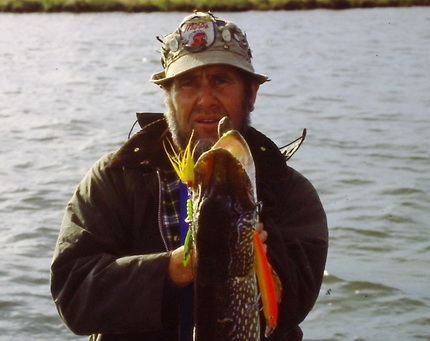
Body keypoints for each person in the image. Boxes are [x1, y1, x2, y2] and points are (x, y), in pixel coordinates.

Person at [51, 11, 328, 341]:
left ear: (251, 93)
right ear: (168, 96)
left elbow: (294, 305)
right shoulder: (113, 179)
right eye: (188, 83)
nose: (206, 100)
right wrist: (176, 268)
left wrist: (255, 256)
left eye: (221, 81)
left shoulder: (288, 189)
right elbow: (74, 296)